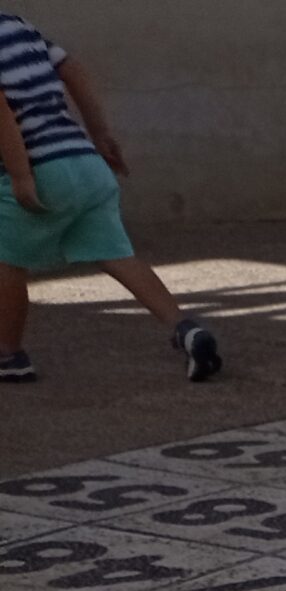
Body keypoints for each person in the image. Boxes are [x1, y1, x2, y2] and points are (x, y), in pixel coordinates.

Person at [0, 9, 218, 383]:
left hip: (41, 168)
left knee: (6, 258)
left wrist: (20, 175)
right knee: (117, 255)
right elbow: (73, 70)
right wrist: (100, 134)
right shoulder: (16, 26)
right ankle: (185, 329)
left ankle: (9, 355)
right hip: (85, 163)